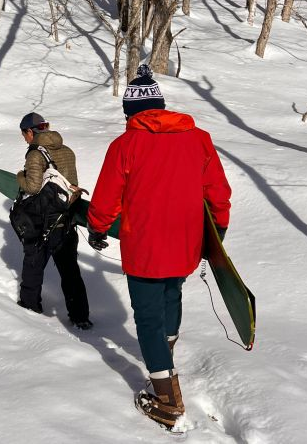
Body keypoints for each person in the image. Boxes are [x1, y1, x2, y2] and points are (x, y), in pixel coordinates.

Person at [86, 65, 231, 431]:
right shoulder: (198, 138)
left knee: (148, 317)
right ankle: (164, 357)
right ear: (162, 107)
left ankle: (167, 402)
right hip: (186, 244)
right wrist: (218, 233)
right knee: (172, 296)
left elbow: (105, 200)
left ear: (131, 113)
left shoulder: (125, 145)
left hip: (145, 247)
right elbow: (219, 193)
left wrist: (97, 228)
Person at [14, 112, 92, 330]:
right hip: (66, 220)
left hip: (42, 224)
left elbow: (32, 187)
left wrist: (20, 176)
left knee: (33, 267)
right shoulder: (66, 150)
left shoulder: (35, 154)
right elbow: (71, 185)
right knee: (70, 271)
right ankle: (81, 317)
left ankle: (29, 311)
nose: (24, 138)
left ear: (30, 131)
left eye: (24, 134)